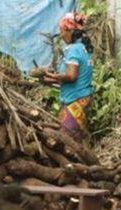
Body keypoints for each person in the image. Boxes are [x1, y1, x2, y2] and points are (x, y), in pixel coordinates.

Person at [43, 12, 94, 143]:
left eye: (62, 31)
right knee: (76, 140)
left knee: (65, 141)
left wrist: (54, 76)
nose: (61, 34)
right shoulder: (83, 48)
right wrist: (53, 79)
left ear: (70, 30)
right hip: (82, 98)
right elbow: (77, 76)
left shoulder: (73, 50)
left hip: (76, 100)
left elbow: (71, 76)